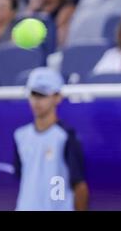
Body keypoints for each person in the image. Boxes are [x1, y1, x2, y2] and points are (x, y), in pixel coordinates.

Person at [13, 67, 89, 211]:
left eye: (42, 94)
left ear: (57, 97)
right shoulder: (20, 136)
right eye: (33, 94)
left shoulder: (65, 136)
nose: (36, 100)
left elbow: (79, 186)